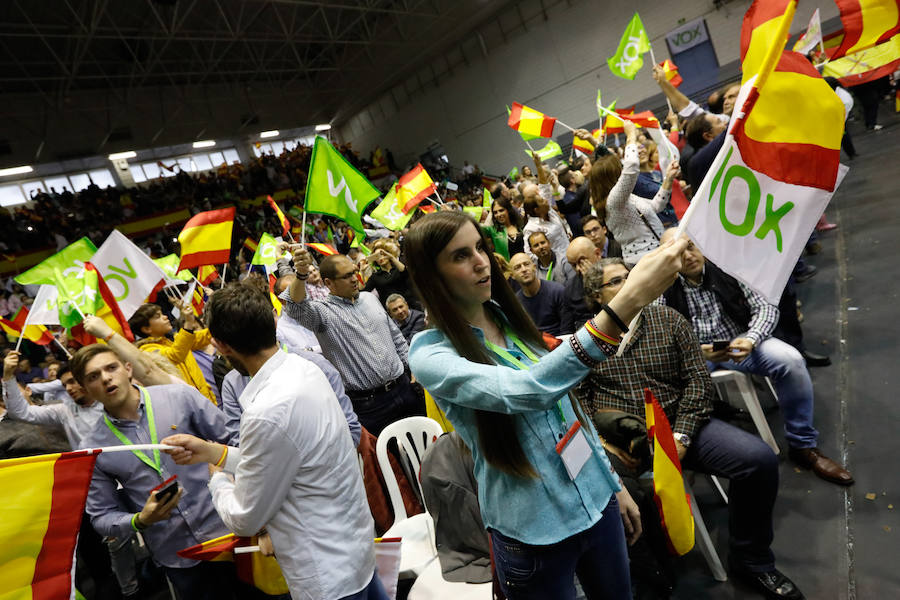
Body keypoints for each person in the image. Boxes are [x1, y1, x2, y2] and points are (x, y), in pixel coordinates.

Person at [403, 210, 690, 599]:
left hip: (594, 500)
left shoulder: (506, 319)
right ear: (430, 277)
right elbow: (529, 390)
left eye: (480, 248)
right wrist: (626, 303)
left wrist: (611, 484)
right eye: (459, 255)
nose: (480, 261)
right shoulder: (431, 354)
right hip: (533, 531)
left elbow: (569, 410)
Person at [577, 259, 803, 599]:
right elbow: (580, 403)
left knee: (757, 460)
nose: (627, 283)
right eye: (615, 281)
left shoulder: (668, 320)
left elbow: (699, 382)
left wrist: (681, 435)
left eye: (629, 276)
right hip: (623, 443)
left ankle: (751, 559)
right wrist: (605, 443)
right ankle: (650, 582)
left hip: (681, 428)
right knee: (615, 494)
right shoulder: (587, 341)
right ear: (597, 296)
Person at [161, 284, 384, 600]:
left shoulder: (267, 410)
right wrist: (217, 452)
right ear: (274, 323)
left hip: (325, 569)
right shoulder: (305, 369)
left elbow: (246, 516)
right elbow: (288, 457)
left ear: (221, 346)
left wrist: (217, 478)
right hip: (353, 546)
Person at [658, 229, 853, 486]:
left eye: (692, 246)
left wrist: (750, 339)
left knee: (791, 361)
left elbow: (765, 306)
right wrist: (695, 351)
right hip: (697, 357)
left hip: (741, 343)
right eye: (679, 252)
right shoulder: (662, 289)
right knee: (670, 385)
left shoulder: (728, 266)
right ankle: (695, 454)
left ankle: (802, 445)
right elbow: (660, 338)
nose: (689, 255)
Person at [73, 345, 250, 600]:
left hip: (232, 531)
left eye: (111, 368)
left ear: (127, 368)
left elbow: (234, 444)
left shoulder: (178, 397)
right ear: (85, 389)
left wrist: (211, 453)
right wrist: (140, 520)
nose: (105, 378)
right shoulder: (94, 447)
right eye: (93, 376)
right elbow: (101, 516)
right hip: (179, 555)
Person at [281, 250, 422, 436]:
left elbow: (396, 338)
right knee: (392, 461)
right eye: (347, 276)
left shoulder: (370, 299)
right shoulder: (322, 314)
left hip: (405, 388)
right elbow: (294, 305)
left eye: (354, 272)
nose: (355, 279)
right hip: (371, 407)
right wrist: (300, 274)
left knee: (429, 448)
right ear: (328, 283)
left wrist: (413, 369)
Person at [590, 120, 679, 266]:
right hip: (647, 262)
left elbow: (657, 206)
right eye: (619, 167)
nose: (622, 167)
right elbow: (631, 167)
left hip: (658, 254)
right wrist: (631, 136)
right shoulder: (613, 201)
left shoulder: (624, 198)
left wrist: (668, 179)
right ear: (613, 174)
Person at [2, 352, 102, 448]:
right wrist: (8, 376)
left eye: (72, 381)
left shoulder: (111, 401)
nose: (68, 388)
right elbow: (20, 413)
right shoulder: (64, 410)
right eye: (64, 385)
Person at [127, 302, 217, 403]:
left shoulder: (173, 340)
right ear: (146, 329)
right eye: (158, 316)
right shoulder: (148, 351)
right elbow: (175, 355)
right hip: (188, 405)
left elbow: (204, 336)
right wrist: (188, 323)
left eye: (162, 313)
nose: (165, 317)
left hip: (206, 400)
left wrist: (219, 319)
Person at [509, 253, 574, 336]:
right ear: (512, 276)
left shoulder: (557, 291)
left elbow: (567, 331)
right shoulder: (516, 303)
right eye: (517, 268)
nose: (524, 269)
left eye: (526, 264)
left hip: (561, 342)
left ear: (534, 267)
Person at [564, 237, 606, 329]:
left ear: (597, 254)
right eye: (573, 265)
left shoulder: (615, 274)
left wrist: (593, 280)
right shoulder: (569, 287)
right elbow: (567, 327)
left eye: (581, 262)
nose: (578, 268)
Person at [363, 238, 418, 308]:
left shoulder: (398, 268)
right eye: (376, 256)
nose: (380, 258)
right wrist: (362, 272)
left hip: (410, 305)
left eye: (382, 254)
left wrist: (391, 257)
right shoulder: (375, 276)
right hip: (391, 311)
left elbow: (406, 273)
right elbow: (363, 291)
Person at [482, 196, 525, 261]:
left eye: (501, 210)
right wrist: (490, 213)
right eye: (495, 212)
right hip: (507, 268)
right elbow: (480, 229)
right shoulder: (493, 230)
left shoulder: (521, 225)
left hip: (525, 266)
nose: (498, 214)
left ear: (508, 210)